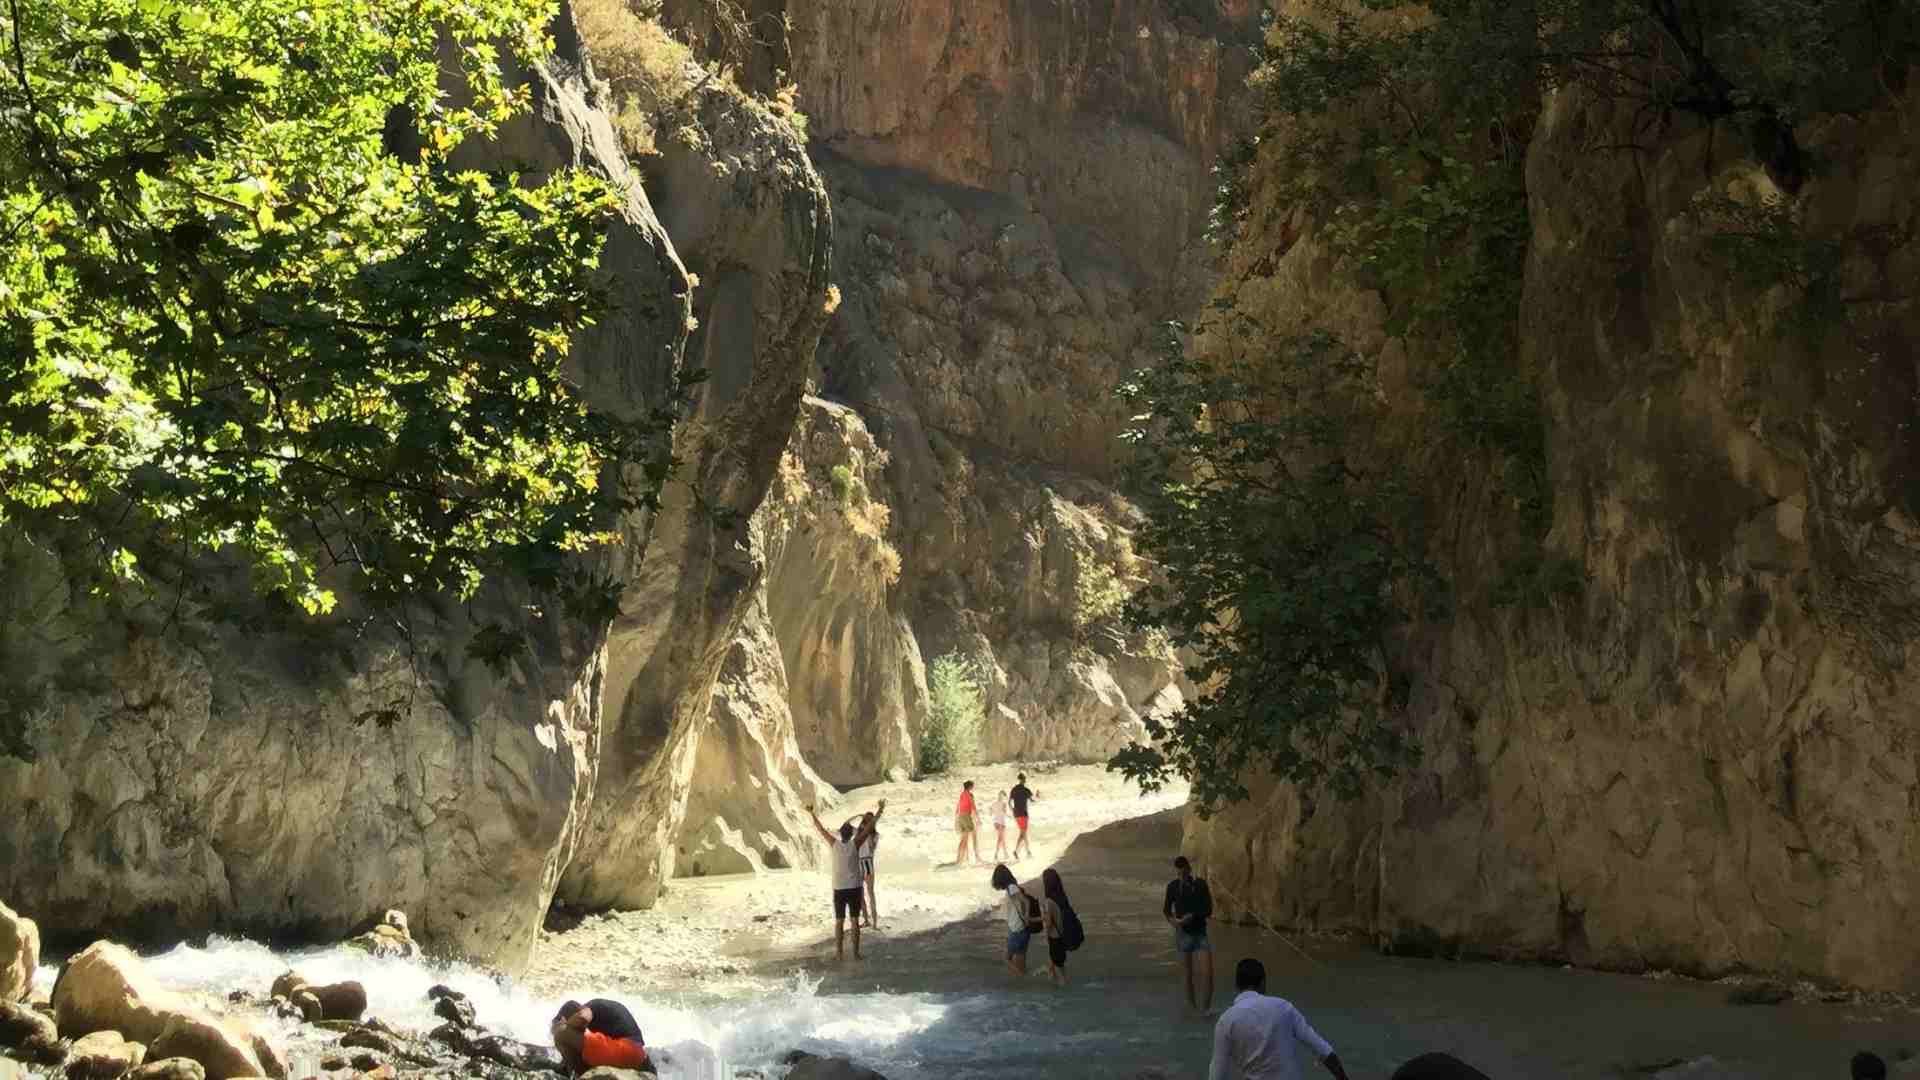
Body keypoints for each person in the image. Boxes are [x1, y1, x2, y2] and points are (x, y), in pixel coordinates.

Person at [1209, 959, 1350, 1080]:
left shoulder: (1226, 1020)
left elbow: (1217, 1072)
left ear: (1236, 985)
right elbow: (1323, 1049)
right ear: (1263, 983)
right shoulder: (1283, 1007)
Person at [807, 800, 884, 960]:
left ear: (841, 834)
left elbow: (820, 829)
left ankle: (839, 953)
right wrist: (880, 810)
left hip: (839, 888)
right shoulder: (856, 843)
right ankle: (855, 954)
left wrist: (811, 813)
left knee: (839, 921)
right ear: (851, 834)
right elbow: (869, 827)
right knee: (854, 921)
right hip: (854, 887)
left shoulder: (834, 843)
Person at [550, 999, 655, 1075]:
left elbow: (583, 1017)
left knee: (561, 1035)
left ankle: (581, 1076)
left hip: (625, 1048)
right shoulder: (600, 1013)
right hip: (638, 1056)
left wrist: (565, 1026)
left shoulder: (588, 1008)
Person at [1165, 854, 1215, 1010]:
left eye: (1184, 872)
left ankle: (1205, 1009)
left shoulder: (1200, 884)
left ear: (1189, 869)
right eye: (1179, 873)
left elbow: (1208, 909)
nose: (1182, 876)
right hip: (1183, 933)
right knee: (1187, 974)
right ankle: (1192, 1009)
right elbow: (1166, 910)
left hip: (1200, 933)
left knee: (1208, 973)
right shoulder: (1172, 886)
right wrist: (1173, 922)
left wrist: (1192, 916)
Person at [991, 863, 1039, 976]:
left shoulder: (1012, 888)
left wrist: (1026, 917)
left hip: (1018, 931)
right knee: (1021, 964)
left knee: (1006, 959)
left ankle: (1022, 978)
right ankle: (1026, 980)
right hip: (1022, 930)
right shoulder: (1012, 888)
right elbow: (1017, 905)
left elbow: (1026, 901)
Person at [1040, 866, 1072, 987]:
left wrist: (1045, 936)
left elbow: (1048, 923)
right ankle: (1056, 985)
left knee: (1060, 973)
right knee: (1059, 967)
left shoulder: (1049, 902)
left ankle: (1063, 993)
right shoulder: (1062, 897)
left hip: (1054, 939)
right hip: (1062, 936)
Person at [954, 780, 985, 866]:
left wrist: (956, 818)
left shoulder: (962, 794)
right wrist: (978, 819)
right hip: (966, 817)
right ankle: (974, 857)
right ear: (970, 786)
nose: (973, 787)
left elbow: (958, 807)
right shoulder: (968, 794)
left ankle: (960, 858)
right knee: (970, 836)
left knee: (964, 838)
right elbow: (973, 806)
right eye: (972, 786)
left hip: (961, 816)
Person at [1010, 773, 1037, 859]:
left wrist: (1013, 810)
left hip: (1016, 814)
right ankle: (1017, 851)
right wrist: (1037, 796)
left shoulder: (1014, 789)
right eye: (1025, 779)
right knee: (1023, 833)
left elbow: (1009, 802)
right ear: (1024, 780)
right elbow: (1032, 800)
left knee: (1023, 833)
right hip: (1024, 814)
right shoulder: (1026, 790)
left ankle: (1028, 852)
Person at [859, 819, 880, 928]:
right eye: (866, 820)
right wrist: (857, 816)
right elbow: (845, 826)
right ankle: (866, 920)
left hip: (867, 861)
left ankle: (875, 922)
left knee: (870, 892)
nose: (868, 823)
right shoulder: (858, 832)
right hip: (858, 862)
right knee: (860, 893)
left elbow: (872, 849)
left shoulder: (875, 835)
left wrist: (868, 834)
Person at [991, 790, 1011, 861]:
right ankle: (996, 854)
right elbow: (1004, 812)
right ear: (1003, 796)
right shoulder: (1004, 803)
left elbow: (991, 812)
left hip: (995, 822)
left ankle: (1005, 853)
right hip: (1001, 823)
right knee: (1000, 839)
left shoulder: (994, 803)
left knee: (1002, 839)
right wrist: (1009, 816)